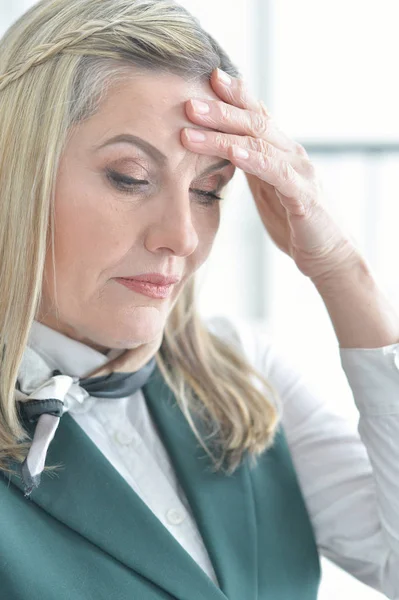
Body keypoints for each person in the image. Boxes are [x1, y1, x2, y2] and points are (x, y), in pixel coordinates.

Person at [0, 0, 399, 598]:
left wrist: (341, 270)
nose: (182, 236)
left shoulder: (245, 375)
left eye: (209, 190)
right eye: (130, 177)